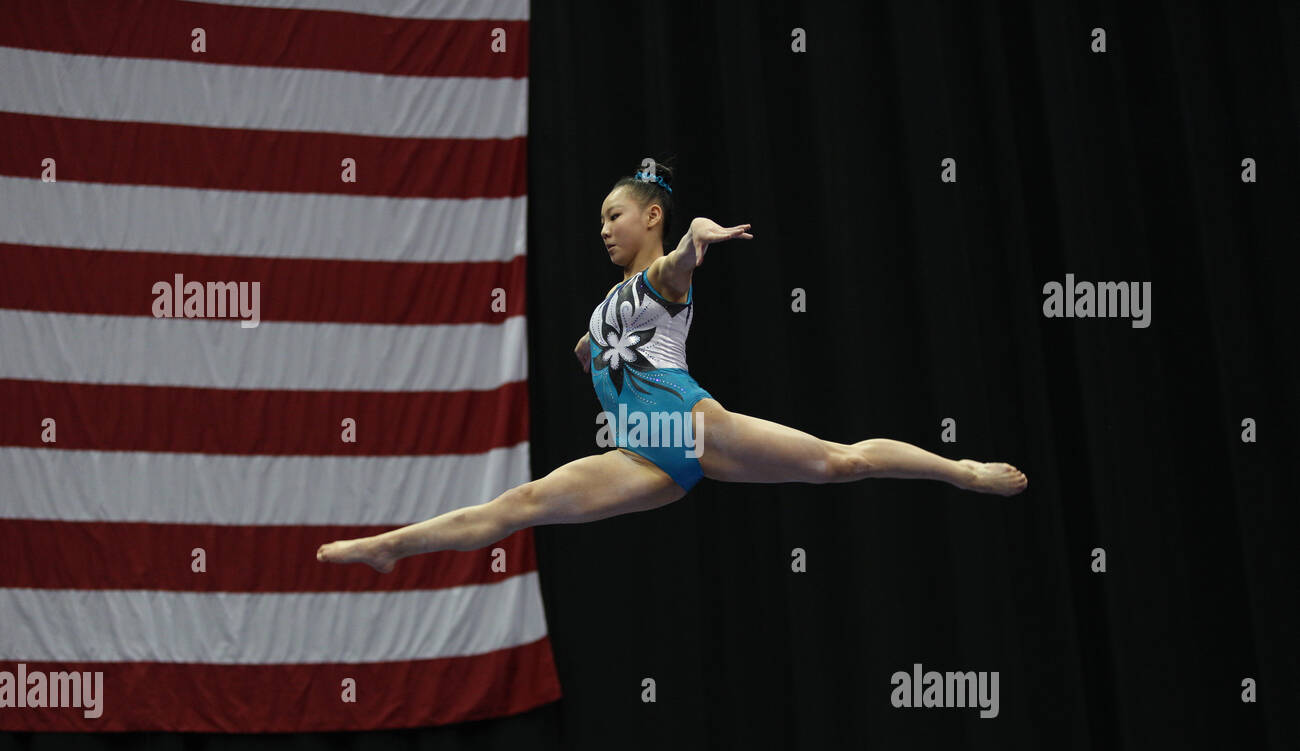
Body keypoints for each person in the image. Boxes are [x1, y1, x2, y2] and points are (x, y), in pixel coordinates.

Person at [317, 163, 1026, 573]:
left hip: (693, 429)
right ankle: (394, 548)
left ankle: (960, 470)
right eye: (599, 219)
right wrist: (590, 346)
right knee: (522, 505)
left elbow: (681, 261)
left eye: (614, 214)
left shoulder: (660, 273)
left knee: (839, 464)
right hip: (643, 460)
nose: (603, 227)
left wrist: (696, 239)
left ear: (650, 215)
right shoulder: (611, 304)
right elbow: (595, 349)